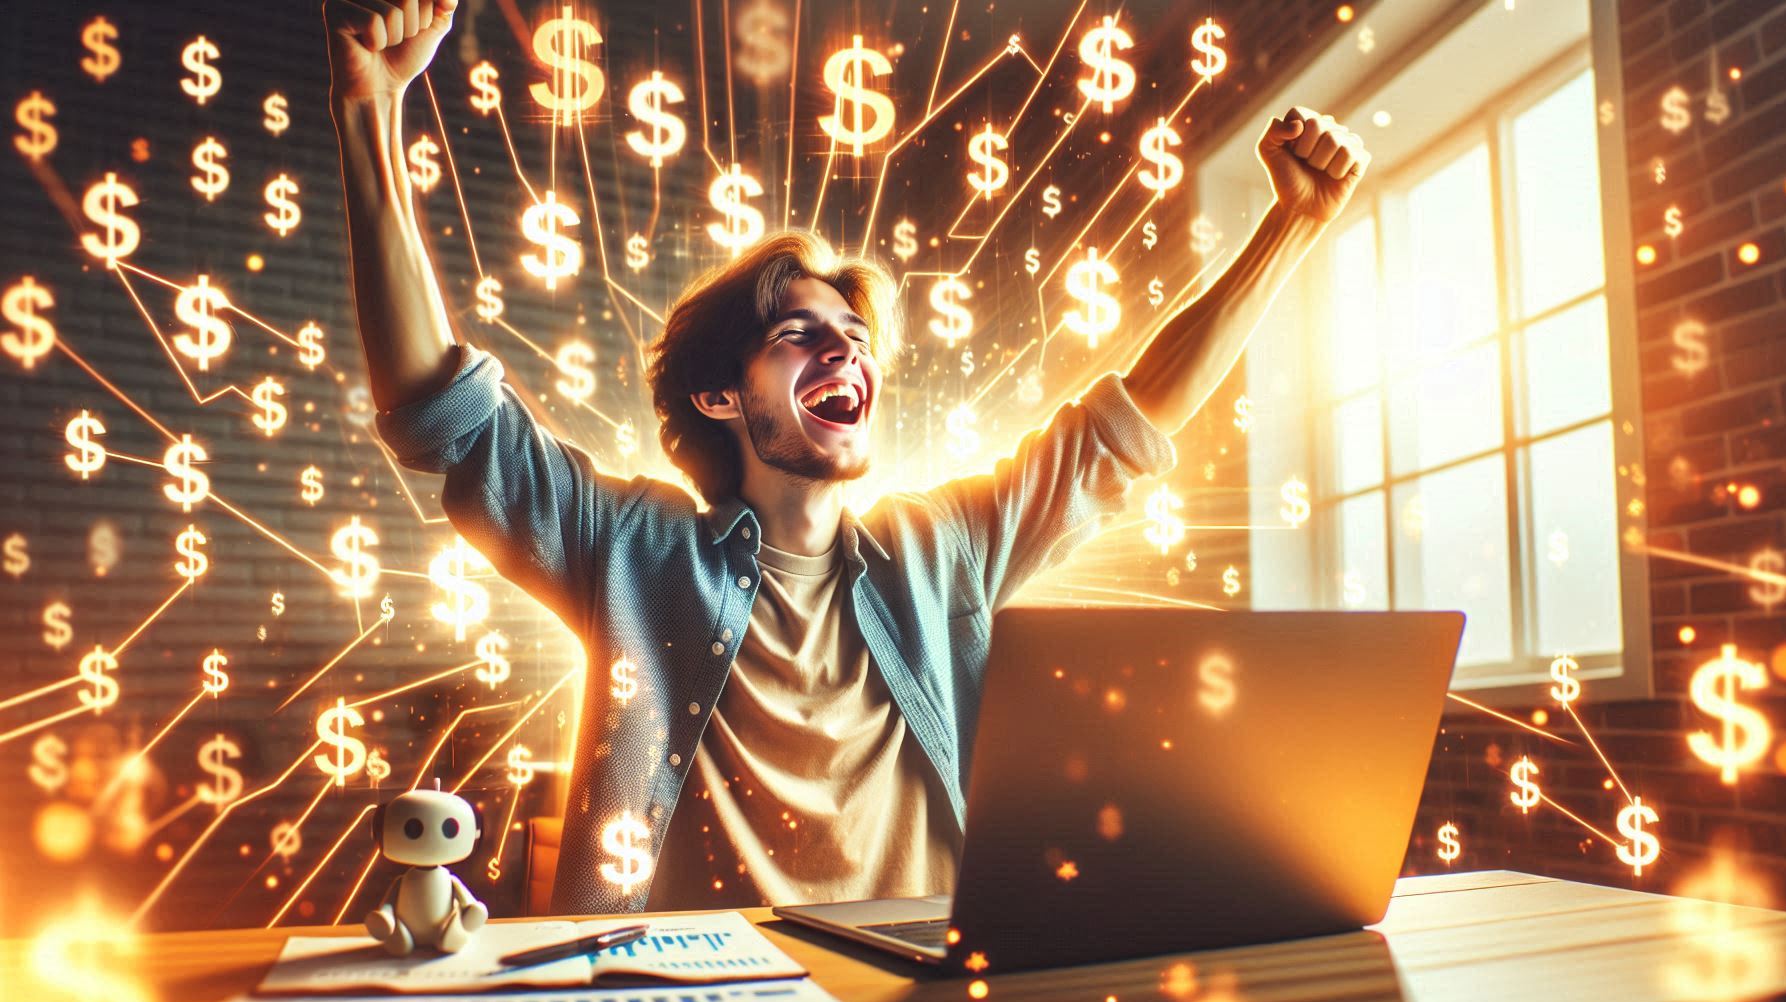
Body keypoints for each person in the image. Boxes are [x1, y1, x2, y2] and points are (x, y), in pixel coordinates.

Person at [325, 0, 1369, 914]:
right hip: (699, 992)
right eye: (797, 333)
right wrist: (371, 114)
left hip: (921, 987)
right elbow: (440, 407)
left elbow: (1127, 423)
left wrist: (1292, 226)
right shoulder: (625, 546)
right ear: (719, 395)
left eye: (854, 339)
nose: (843, 350)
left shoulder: (944, 548)